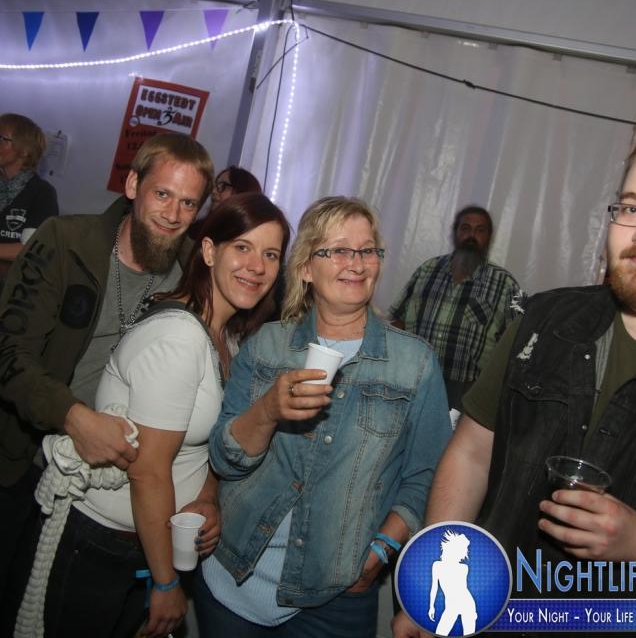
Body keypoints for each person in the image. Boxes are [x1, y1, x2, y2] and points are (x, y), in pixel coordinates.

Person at [12, 192, 290, 638]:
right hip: (99, 546)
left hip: (140, 547)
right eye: (243, 247)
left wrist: (207, 496)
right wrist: (166, 582)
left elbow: (207, 443)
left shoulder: (228, 340)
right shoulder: (179, 338)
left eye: (271, 254)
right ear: (208, 251)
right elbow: (149, 472)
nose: (257, 265)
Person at [392, 141, 636, 637]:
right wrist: (426, 588)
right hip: (490, 610)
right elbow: (471, 454)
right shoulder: (545, 318)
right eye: (632, 208)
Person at [194, 196, 451, 637]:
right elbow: (224, 458)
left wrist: (383, 548)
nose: (357, 263)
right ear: (306, 269)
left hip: (335, 597)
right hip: (232, 578)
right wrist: (268, 410)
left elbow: (427, 473)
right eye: (337, 250)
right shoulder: (266, 346)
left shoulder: (414, 364)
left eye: (367, 250)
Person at [0, 132, 213, 615]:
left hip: (104, 496)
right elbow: (9, 351)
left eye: (188, 203)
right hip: (23, 466)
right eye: (162, 194)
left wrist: (208, 491)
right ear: (134, 185)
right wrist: (74, 417)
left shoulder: (192, 274)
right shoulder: (65, 241)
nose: (173, 214)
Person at [389, 206, 522, 410]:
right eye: (465, 228)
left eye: (480, 230)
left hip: (466, 391)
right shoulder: (427, 270)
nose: (471, 236)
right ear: (455, 232)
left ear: (489, 236)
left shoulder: (506, 284)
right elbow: (398, 320)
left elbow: (518, 343)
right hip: (412, 379)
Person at [0, 113, 58, 278]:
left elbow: (30, 248)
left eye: (2, 139)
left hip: (12, 285)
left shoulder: (42, 193)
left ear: (25, 151)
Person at [189, 165, 262, 239]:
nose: (214, 191)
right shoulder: (196, 230)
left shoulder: (248, 238)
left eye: (223, 186)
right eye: (215, 185)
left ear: (241, 192)